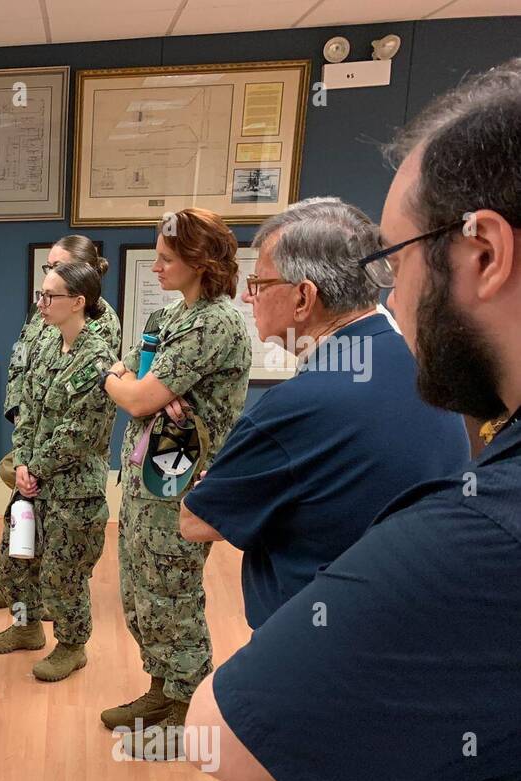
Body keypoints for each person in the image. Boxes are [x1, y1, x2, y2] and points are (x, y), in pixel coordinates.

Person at [186, 59, 521, 781]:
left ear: (483, 253)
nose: (396, 295)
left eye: (400, 260)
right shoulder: (456, 410)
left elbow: (219, 731)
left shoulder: (481, 536)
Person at [181, 197, 470, 629]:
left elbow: (196, 520)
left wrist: (236, 485)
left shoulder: (297, 406)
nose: (247, 295)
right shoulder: (422, 364)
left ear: (303, 298)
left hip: (317, 642)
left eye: (259, 282)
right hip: (415, 616)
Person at [100, 208, 252, 753]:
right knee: (140, 591)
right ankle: (162, 688)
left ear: (201, 262)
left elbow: (136, 394)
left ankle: (189, 708)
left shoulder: (217, 323)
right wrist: (132, 383)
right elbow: (139, 384)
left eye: (167, 259)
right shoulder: (171, 319)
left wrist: (119, 379)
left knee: (172, 592)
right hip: (148, 473)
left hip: (181, 483)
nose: (156, 267)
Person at [0, 261, 120, 681]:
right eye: (40, 294)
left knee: (64, 573)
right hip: (31, 484)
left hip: (72, 491)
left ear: (78, 302)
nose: (40, 303)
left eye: (50, 296)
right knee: (16, 561)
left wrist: (35, 467)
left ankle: (71, 647)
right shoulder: (46, 345)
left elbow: (79, 432)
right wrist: (21, 461)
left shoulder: (98, 359)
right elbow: (26, 410)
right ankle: (25, 628)